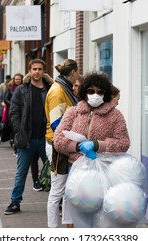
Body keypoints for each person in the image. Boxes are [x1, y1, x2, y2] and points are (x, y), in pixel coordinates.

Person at [53, 71, 130, 227]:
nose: (95, 95)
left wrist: (97, 145)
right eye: (91, 91)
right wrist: (76, 146)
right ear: (84, 92)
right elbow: (58, 140)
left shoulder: (115, 115)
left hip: (104, 171)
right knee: (75, 214)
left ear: (106, 94)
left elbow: (123, 143)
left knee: (100, 215)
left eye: (100, 92)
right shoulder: (73, 112)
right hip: (76, 170)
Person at [4, 58, 51, 215]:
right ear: (30, 71)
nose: (37, 72)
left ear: (43, 71)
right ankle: (15, 202)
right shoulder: (22, 89)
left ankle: (59, 202)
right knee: (21, 172)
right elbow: (14, 111)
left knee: (54, 171)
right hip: (27, 139)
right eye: (34, 69)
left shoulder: (50, 89)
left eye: (39, 69)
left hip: (46, 139)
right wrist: (19, 131)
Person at [45, 58, 79, 228]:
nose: (78, 76)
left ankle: (68, 226)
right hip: (57, 145)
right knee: (57, 191)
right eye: (77, 72)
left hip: (65, 144)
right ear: (73, 72)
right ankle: (52, 229)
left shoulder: (64, 88)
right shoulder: (58, 91)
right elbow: (56, 123)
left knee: (67, 191)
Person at [4, 73, 23, 155]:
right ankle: (16, 148)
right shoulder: (10, 88)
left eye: (19, 79)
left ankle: (18, 146)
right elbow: (5, 99)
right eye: (16, 79)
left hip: (22, 112)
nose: (18, 81)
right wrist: (13, 103)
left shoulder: (24, 87)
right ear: (14, 80)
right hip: (12, 112)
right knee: (15, 129)